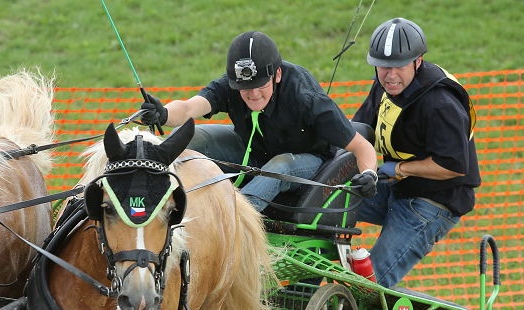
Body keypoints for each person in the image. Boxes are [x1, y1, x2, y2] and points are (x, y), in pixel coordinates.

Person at [138, 31, 378, 212]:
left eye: (260, 85)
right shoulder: (233, 83)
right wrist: (163, 114)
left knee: (279, 166)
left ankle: (234, 222)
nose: (253, 94)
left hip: (304, 161)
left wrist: (370, 174)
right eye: (244, 88)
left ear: (278, 75)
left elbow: (362, 146)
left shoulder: (306, 98)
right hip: (253, 151)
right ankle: (147, 195)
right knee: (195, 136)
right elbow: (191, 107)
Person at [352, 17, 481, 288]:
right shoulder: (384, 87)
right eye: (382, 66)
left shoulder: (439, 104)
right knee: (326, 203)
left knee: (371, 284)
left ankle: (356, 309)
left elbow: (455, 165)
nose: (390, 75)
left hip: (432, 203)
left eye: (398, 65)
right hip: (396, 188)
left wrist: (399, 169)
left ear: (417, 61)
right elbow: (359, 132)